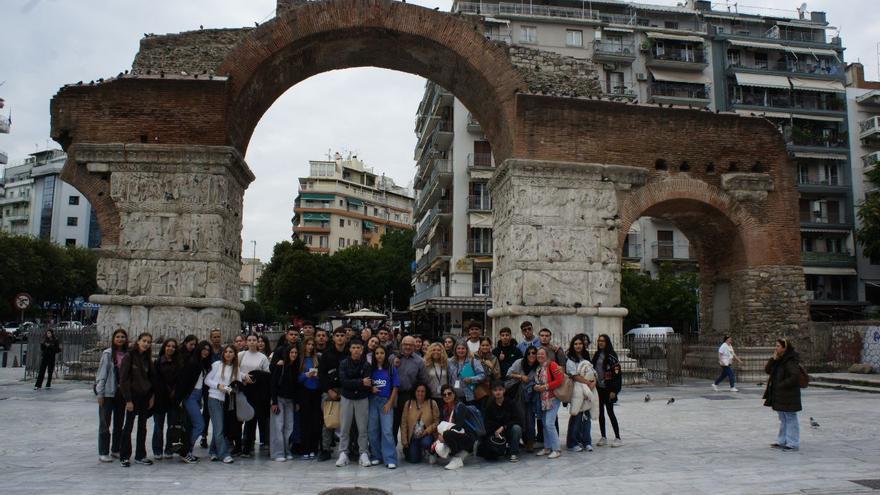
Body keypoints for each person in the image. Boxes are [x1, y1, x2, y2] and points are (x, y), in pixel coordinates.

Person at [204, 345, 248, 464]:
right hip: (214, 398)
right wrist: (219, 386)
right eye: (226, 352)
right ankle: (224, 454)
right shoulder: (217, 365)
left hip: (228, 402)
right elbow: (207, 380)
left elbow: (237, 385)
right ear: (223, 353)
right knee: (219, 428)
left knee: (220, 427)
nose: (228, 354)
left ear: (234, 354)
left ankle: (213, 451)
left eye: (231, 352)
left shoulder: (236, 369)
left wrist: (233, 388)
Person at [118, 332, 156, 467]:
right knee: (128, 426)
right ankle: (124, 456)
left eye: (148, 342)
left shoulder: (147, 359)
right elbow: (123, 379)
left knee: (142, 427)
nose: (146, 344)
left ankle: (140, 455)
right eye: (144, 341)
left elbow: (152, 378)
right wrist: (128, 399)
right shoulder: (129, 357)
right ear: (138, 341)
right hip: (132, 396)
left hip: (145, 396)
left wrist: (152, 396)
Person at [336, 338, 373, 468]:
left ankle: (363, 452)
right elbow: (343, 382)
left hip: (362, 399)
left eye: (358, 348)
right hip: (347, 398)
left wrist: (358, 383)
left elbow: (368, 384)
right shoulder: (344, 363)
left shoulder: (366, 365)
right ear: (350, 349)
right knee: (345, 427)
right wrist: (360, 382)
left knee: (362, 428)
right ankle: (343, 452)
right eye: (354, 348)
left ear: (362, 349)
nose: (356, 350)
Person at [95, 328, 129, 462]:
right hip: (108, 393)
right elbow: (102, 375)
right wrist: (100, 393)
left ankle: (116, 449)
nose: (120, 339)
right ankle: (103, 451)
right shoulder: (108, 354)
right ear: (113, 339)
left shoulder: (127, 354)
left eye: (122, 337)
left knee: (119, 423)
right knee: (105, 424)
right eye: (118, 337)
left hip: (121, 394)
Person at [764, 338, 803, 452]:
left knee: (790, 417)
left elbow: (794, 376)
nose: (776, 348)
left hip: (789, 395)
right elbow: (767, 370)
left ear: (785, 348)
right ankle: (782, 440)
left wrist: (781, 385)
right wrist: (773, 359)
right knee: (783, 418)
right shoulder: (779, 360)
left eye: (778, 346)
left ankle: (792, 442)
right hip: (780, 395)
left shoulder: (790, 361)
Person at [175, 337, 209, 464]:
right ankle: (185, 451)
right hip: (190, 396)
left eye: (208, 350)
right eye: (203, 349)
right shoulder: (193, 362)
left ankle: (187, 451)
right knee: (199, 424)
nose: (205, 352)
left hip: (197, 396)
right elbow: (184, 382)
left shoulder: (201, 363)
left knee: (192, 425)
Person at [317, 327, 348, 461]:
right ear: (333, 338)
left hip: (347, 391)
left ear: (346, 338)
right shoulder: (327, 354)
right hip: (330, 390)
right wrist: (329, 390)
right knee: (328, 421)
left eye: (342, 335)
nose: (340, 338)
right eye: (337, 335)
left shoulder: (350, 352)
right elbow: (321, 374)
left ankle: (350, 449)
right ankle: (325, 449)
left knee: (349, 422)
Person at [238, 334, 270, 457]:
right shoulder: (241, 355)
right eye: (250, 340)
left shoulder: (262, 357)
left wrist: (256, 377)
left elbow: (267, 374)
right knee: (246, 418)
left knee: (256, 417)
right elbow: (235, 370)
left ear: (257, 342)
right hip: (243, 389)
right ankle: (245, 447)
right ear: (246, 342)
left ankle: (263, 443)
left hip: (258, 391)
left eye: (254, 340)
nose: (252, 342)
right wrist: (244, 376)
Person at [392, 335, 428, 444]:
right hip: (393, 395)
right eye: (405, 344)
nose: (407, 347)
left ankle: (408, 447)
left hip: (409, 396)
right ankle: (390, 450)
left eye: (410, 345)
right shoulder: (392, 358)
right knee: (392, 424)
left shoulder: (420, 361)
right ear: (401, 345)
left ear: (414, 346)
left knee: (409, 423)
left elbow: (423, 381)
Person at [368, 346, 399, 468]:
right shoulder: (370, 369)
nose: (379, 355)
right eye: (377, 353)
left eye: (382, 353)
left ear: (385, 355)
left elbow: (395, 387)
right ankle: (376, 455)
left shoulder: (391, 368)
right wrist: (371, 388)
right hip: (373, 402)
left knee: (387, 431)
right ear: (374, 355)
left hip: (386, 402)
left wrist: (390, 402)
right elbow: (366, 383)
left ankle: (390, 458)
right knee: (372, 430)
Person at [435, 384, 478, 470]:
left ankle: (457, 456)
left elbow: (459, 426)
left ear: (454, 394)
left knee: (447, 434)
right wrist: (439, 435)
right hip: (454, 434)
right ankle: (454, 453)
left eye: (449, 393)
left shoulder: (460, 406)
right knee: (438, 447)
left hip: (467, 436)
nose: (447, 396)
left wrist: (443, 435)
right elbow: (441, 424)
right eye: (444, 395)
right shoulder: (444, 409)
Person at [565, 334, 597, 452]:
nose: (578, 346)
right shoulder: (570, 359)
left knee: (586, 416)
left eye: (580, 344)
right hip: (577, 389)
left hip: (588, 388)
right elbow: (574, 375)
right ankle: (572, 442)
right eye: (576, 344)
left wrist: (593, 382)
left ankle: (586, 441)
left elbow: (592, 370)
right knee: (576, 415)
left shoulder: (586, 356)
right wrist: (588, 382)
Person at [479, 380, 524, 462]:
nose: (498, 392)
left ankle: (513, 452)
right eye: (495, 390)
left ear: (504, 390)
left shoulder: (511, 403)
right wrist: (495, 430)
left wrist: (503, 427)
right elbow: (487, 422)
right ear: (492, 392)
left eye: (500, 389)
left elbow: (517, 419)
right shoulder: (490, 406)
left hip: (509, 430)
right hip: (496, 433)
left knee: (517, 428)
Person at [506, 346, 539, 452]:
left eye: (534, 353)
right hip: (517, 396)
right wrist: (520, 377)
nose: (531, 355)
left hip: (530, 397)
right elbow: (508, 374)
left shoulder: (538, 366)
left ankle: (530, 442)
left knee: (530, 420)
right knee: (519, 417)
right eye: (529, 353)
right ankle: (517, 440)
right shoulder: (519, 362)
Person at [592, 333, 622, 447]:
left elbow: (617, 374)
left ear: (607, 342)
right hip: (599, 388)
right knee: (600, 413)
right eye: (599, 340)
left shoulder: (612, 356)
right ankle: (603, 436)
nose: (600, 343)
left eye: (603, 341)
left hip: (609, 389)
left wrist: (614, 390)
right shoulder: (597, 354)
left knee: (610, 412)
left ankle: (617, 437)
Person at [270, 345, 300, 461]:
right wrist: (274, 402)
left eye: (295, 353)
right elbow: (273, 384)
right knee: (278, 426)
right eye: (291, 352)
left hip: (290, 401)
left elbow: (296, 387)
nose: (293, 355)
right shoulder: (280, 366)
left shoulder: (296, 367)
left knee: (289, 427)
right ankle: (278, 453)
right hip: (279, 399)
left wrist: (296, 402)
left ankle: (286, 450)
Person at [151, 338, 179, 461]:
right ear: (164, 347)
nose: (170, 348)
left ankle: (169, 449)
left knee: (172, 425)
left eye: (173, 346)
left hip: (173, 399)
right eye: (168, 346)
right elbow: (154, 380)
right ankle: (157, 449)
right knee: (158, 426)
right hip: (160, 398)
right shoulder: (157, 363)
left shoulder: (178, 363)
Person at [534, 347, 564, 459]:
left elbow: (559, 380)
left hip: (553, 398)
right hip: (543, 399)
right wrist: (537, 387)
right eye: (538, 354)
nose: (540, 356)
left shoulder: (553, 365)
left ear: (547, 355)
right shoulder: (539, 368)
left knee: (550, 423)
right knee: (545, 424)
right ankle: (547, 447)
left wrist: (545, 387)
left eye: (542, 354)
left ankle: (556, 449)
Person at [400, 382, 440, 464]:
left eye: (423, 391)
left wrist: (427, 431)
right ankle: (419, 451)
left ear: (426, 392)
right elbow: (403, 423)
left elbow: (437, 422)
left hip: (427, 435)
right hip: (413, 436)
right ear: (414, 392)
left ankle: (431, 451)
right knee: (414, 460)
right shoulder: (408, 404)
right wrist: (404, 440)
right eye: (418, 391)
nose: (420, 393)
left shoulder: (432, 403)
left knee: (426, 443)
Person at [298, 337, 322, 459]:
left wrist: (318, 376)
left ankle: (313, 448)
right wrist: (306, 375)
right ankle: (305, 448)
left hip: (316, 392)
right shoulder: (300, 359)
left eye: (312, 344)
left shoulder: (317, 358)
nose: (311, 347)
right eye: (308, 344)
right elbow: (296, 379)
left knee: (315, 422)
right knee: (305, 422)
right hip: (304, 392)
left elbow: (322, 375)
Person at [200, 328, 224, 449]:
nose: (216, 339)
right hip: (209, 385)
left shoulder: (224, 351)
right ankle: (204, 435)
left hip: (222, 385)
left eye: (218, 337)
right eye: (214, 337)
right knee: (207, 411)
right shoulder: (208, 352)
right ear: (211, 338)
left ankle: (220, 436)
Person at [424, 342, 450, 408]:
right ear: (430, 351)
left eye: (438, 350)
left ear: (442, 352)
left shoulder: (446, 364)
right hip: (430, 396)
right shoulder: (426, 364)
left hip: (444, 396)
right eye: (434, 350)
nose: (436, 352)